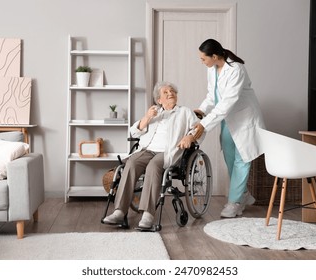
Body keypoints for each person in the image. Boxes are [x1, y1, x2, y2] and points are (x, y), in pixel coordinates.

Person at [103, 81, 202, 229]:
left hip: (168, 151)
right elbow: (134, 131)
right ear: (159, 100)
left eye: (172, 91)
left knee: (153, 166)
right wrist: (147, 117)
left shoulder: (184, 112)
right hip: (146, 149)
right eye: (166, 92)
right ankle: (119, 211)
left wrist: (190, 137)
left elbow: (198, 129)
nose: (170, 93)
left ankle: (148, 214)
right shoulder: (154, 112)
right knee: (130, 164)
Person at [193, 38, 265, 218]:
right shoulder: (212, 70)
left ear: (214, 56)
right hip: (227, 118)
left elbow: (227, 103)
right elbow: (212, 95)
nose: (202, 62)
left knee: (242, 159)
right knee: (229, 156)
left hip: (244, 119)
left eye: (203, 59)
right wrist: (201, 110)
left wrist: (204, 124)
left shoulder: (236, 70)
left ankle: (234, 202)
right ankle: (244, 194)